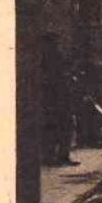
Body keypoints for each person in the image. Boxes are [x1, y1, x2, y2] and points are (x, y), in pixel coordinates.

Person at [40, 34, 76, 166]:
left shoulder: (57, 56)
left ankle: (62, 156)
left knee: (65, 127)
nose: (56, 45)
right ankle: (53, 157)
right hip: (53, 98)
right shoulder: (46, 59)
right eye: (53, 42)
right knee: (54, 128)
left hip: (62, 96)